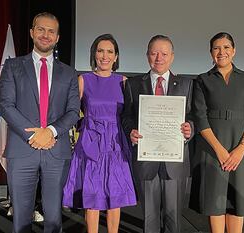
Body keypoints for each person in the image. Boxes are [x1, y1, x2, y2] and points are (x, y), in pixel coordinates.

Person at [0, 12, 80, 233]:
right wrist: (34, 135)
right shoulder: (12, 66)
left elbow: (73, 111)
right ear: (32, 32)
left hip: (57, 150)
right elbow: (6, 105)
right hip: (22, 149)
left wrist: (51, 132)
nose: (46, 35)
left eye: (51, 31)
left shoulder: (70, 73)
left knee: (54, 218)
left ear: (57, 37)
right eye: (41, 29)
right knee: (21, 219)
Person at [62, 34, 137, 233]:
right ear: (94, 54)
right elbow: (70, 112)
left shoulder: (123, 81)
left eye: (109, 51)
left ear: (116, 56)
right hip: (90, 141)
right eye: (100, 51)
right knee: (92, 195)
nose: (105, 56)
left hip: (116, 142)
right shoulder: (83, 80)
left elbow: (130, 115)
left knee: (115, 194)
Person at [121, 35, 193, 232]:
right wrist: (130, 131)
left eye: (164, 53)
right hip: (146, 160)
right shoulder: (133, 84)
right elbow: (126, 116)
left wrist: (190, 129)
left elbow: (192, 116)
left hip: (175, 162)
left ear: (172, 57)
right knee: (149, 220)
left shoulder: (187, 84)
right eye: (154, 53)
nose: (158, 58)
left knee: (174, 220)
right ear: (147, 56)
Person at [189, 32, 244, 233]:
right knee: (215, 201)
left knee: (237, 202)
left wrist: (241, 149)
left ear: (234, 51)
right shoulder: (202, 80)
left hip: (241, 149)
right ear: (211, 52)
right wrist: (220, 150)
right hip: (212, 149)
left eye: (226, 47)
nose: (222, 52)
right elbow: (200, 117)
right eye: (216, 48)